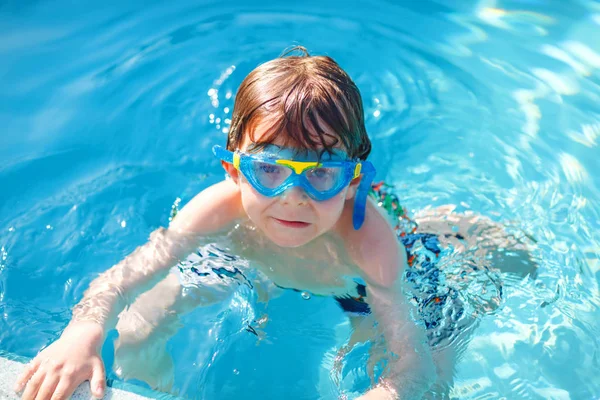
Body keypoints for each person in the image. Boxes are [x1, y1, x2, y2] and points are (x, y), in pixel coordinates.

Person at [14, 46, 534, 400]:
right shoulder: (218, 209)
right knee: (136, 326)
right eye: (269, 169)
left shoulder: (372, 246)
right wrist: (80, 335)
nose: (294, 197)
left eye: (322, 174)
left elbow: (412, 364)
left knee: (436, 373)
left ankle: (449, 225)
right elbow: (123, 279)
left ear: (353, 181)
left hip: (349, 283)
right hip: (242, 251)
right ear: (234, 171)